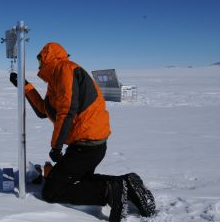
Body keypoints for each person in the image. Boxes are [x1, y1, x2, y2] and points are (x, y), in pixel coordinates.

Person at [9, 42, 155, 222]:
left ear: (47, 59)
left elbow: (67, 111)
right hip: (88, 143)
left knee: (52, 191)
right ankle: (127, 183)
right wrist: (25, 86)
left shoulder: (65, 71)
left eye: (40, 61)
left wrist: (56, 146)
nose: (38, 66)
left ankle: (111, 191)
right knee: (79, 180)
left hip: (86, 144)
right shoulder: (55, 80)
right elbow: (43, 111)